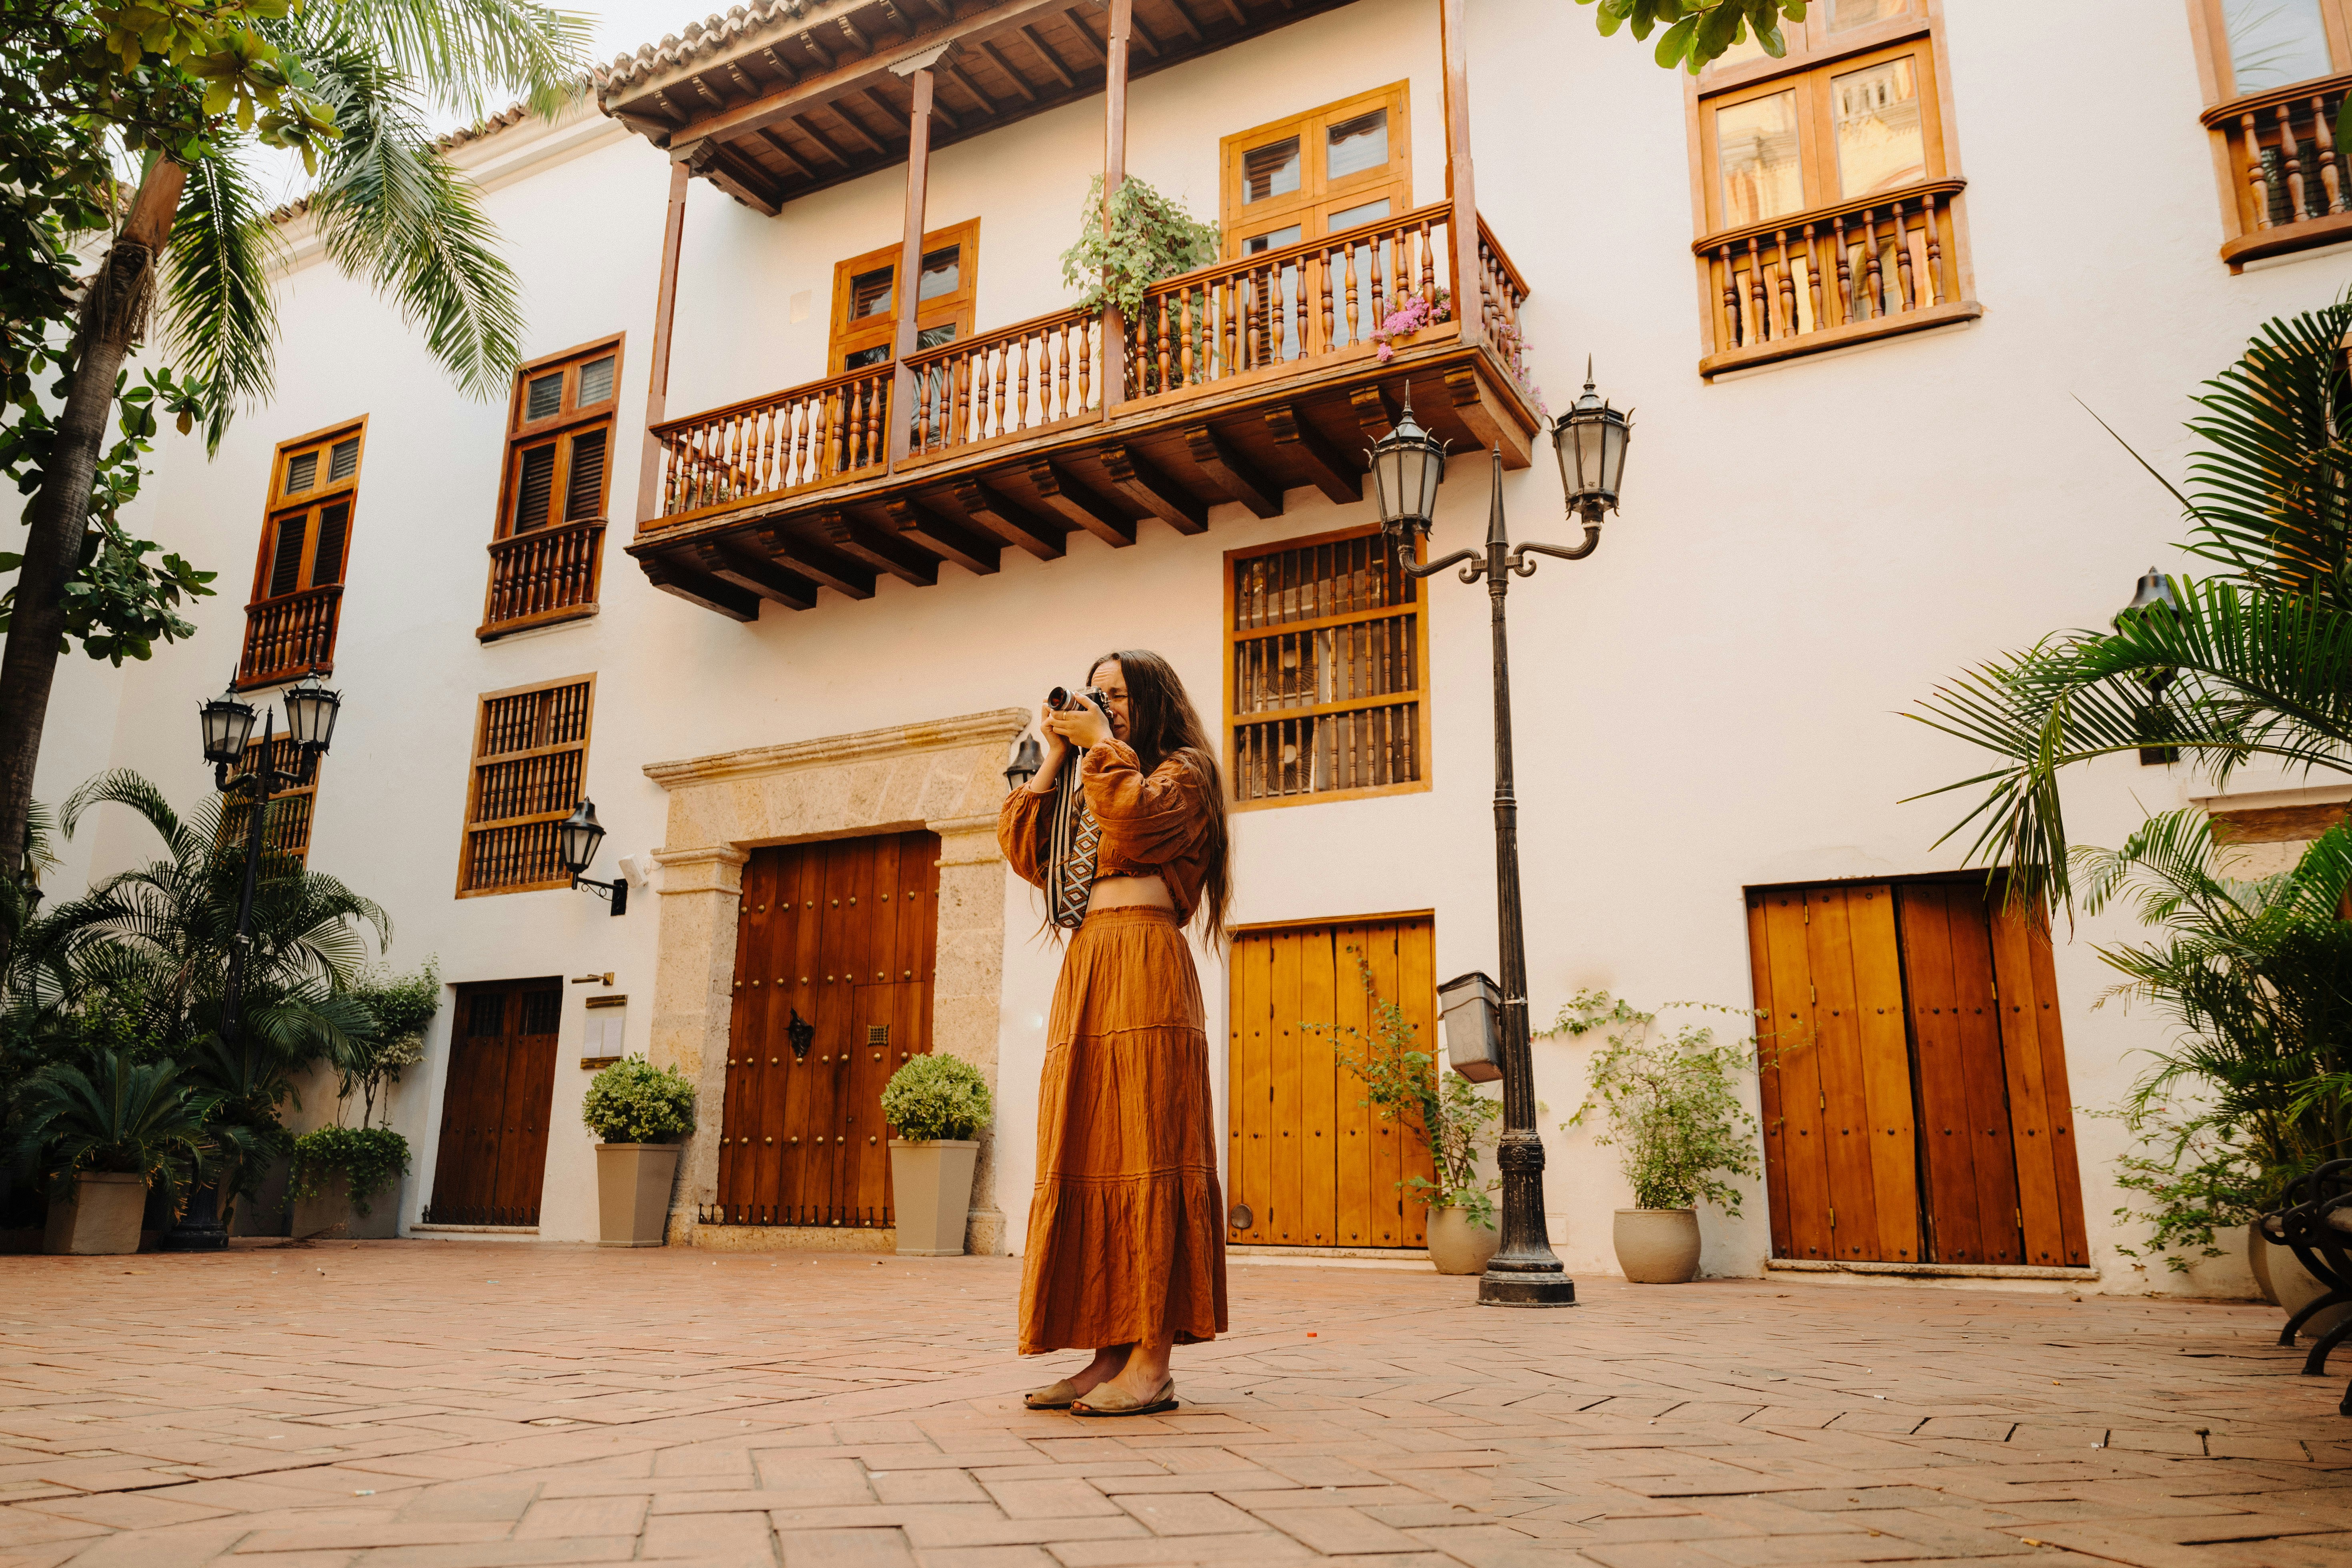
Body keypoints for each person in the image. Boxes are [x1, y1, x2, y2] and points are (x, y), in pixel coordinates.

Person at [997, 649, 1232, 1416]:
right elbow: (1025, 850)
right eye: (1097, 694)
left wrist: (1100, 745)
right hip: (1090, 963)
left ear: (1154, 699)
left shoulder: (1183, 773)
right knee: (1092, 1148)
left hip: (1147, 959)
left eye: (1120, 695)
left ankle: (1152, 1363)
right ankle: (1107, 1356)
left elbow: (1135, 815)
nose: (1107, 705)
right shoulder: (1089, 776)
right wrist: (1054, 754)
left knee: (1150, 1150)